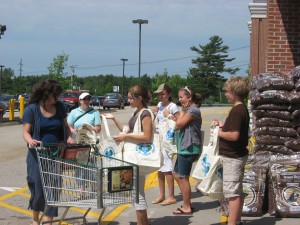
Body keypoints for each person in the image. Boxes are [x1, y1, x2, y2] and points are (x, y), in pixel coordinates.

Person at [22, 79, 75, 225]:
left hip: (56, 153)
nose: (57, 98)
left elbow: (65, 126)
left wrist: (69, 137)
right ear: (45, 94)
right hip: (37, 154)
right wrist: (30, 140)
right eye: (54, 95)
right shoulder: (32, 109)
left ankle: (48, 221)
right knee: (37, 188)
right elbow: (25, 132)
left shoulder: (60, 107)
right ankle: (35, 220)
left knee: (54, 187)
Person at [104, 84, 153, 225]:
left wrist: (125, 137)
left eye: (131, 98)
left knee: (137, 194)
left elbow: (147, 137)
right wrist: (113, 119)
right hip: (134, 157)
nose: (128, 101)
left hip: (138, 157)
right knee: (136, 192)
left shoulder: (145, 113)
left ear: (140, 98)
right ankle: (144, 222)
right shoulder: (137, 112)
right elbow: (127, 130)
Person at [214, 77, 249, 225]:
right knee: (237, 190)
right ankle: (237, 220)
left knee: (232, 193)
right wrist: (223, 126)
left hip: (232, 157)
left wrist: (219, 133)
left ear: (234, 92)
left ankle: (232, 223)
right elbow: (236, 130)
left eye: (227, 91)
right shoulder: (242, 109)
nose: (226, 94)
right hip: (238, 155)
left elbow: (234, 136)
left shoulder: (236, 111)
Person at [172, 86, 202, 215]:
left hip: (189, 148)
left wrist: (183, 111)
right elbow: (179, 123)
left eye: (181, 97)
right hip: (183, 147)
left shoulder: (193, 110)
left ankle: (186, 206)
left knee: (184, 178)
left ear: (189, 97)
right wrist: (183, 112)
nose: (179, 100)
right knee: (176, 173)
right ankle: (187, 201)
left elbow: (178, 125)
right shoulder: (189, 110)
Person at [151, 83, 179, 205]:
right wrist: (154, 112)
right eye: (159, 94)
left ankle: (171, 196)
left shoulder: (173, 106)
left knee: (168, 168)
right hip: (159, 140)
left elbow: (179, 122)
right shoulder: (159, 105)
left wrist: (170, 116)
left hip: (168, 140)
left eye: (163, 94)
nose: (161, 96)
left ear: (169, 94)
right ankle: (162, 195)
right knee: (160, 167)